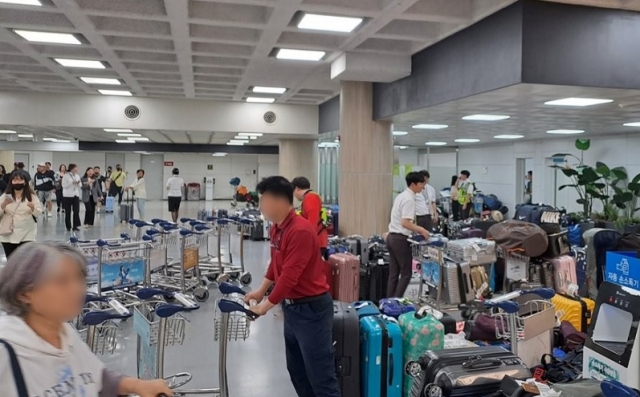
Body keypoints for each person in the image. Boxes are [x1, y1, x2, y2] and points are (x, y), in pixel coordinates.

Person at [0, 242, 173, 397]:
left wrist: (137, 385)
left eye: (79, 278)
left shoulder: (65, 333)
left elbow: (95, 377)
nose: (77, 289)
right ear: (24, 293)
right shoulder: (7, 351)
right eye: (62, 281)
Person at [244, 176, 340, 397]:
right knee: (297, 371)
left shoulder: (300, 231)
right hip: (292, 309)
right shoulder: (277, 228)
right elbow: (276, 266)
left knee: (321, 377)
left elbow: (289, 277)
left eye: (263, 200)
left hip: (311, 310)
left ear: (279, 201)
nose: (260, 206)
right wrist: (260, 290)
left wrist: (264, 306)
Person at [386, 171, 430, 298]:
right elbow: (405, 222)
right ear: (413, 184)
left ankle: (388, 302)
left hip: (391, 237)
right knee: (406, 273)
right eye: (421, 183)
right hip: (400, 239)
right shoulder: (409, 199)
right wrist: (421, 230)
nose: (423, 186)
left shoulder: (401, 196)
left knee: (394, 273)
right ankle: (396, 302)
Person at [0, 172, 42, 258]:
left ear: (25, 182)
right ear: (11, 182)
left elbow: (39, 213)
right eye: (15, 180)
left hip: (27, 233)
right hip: (8, 233)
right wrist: (3, 205)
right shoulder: (5, 196)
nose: (17, 182)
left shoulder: (31, 196)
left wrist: (33, 208)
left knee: (25, 261)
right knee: (11, 260)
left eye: (20, 180)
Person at [291, 176, 329, 260]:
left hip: (315, 242)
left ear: (297, 189)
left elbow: (312, 222)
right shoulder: (310, 197)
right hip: (315, 240)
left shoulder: (310, 198)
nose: (294, 196)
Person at [62, 163, 82, 232]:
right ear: (72, 169)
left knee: (76, 210)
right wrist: (71, 183)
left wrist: (78, 183)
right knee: (68, 211)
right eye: (75, 168)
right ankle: (68, 226)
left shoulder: (77, 176)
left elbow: (80, 185)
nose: (76, 169)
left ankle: (75, 226)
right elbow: (64, 186)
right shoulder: (66, 176)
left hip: (75, 195)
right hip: (67, 195)